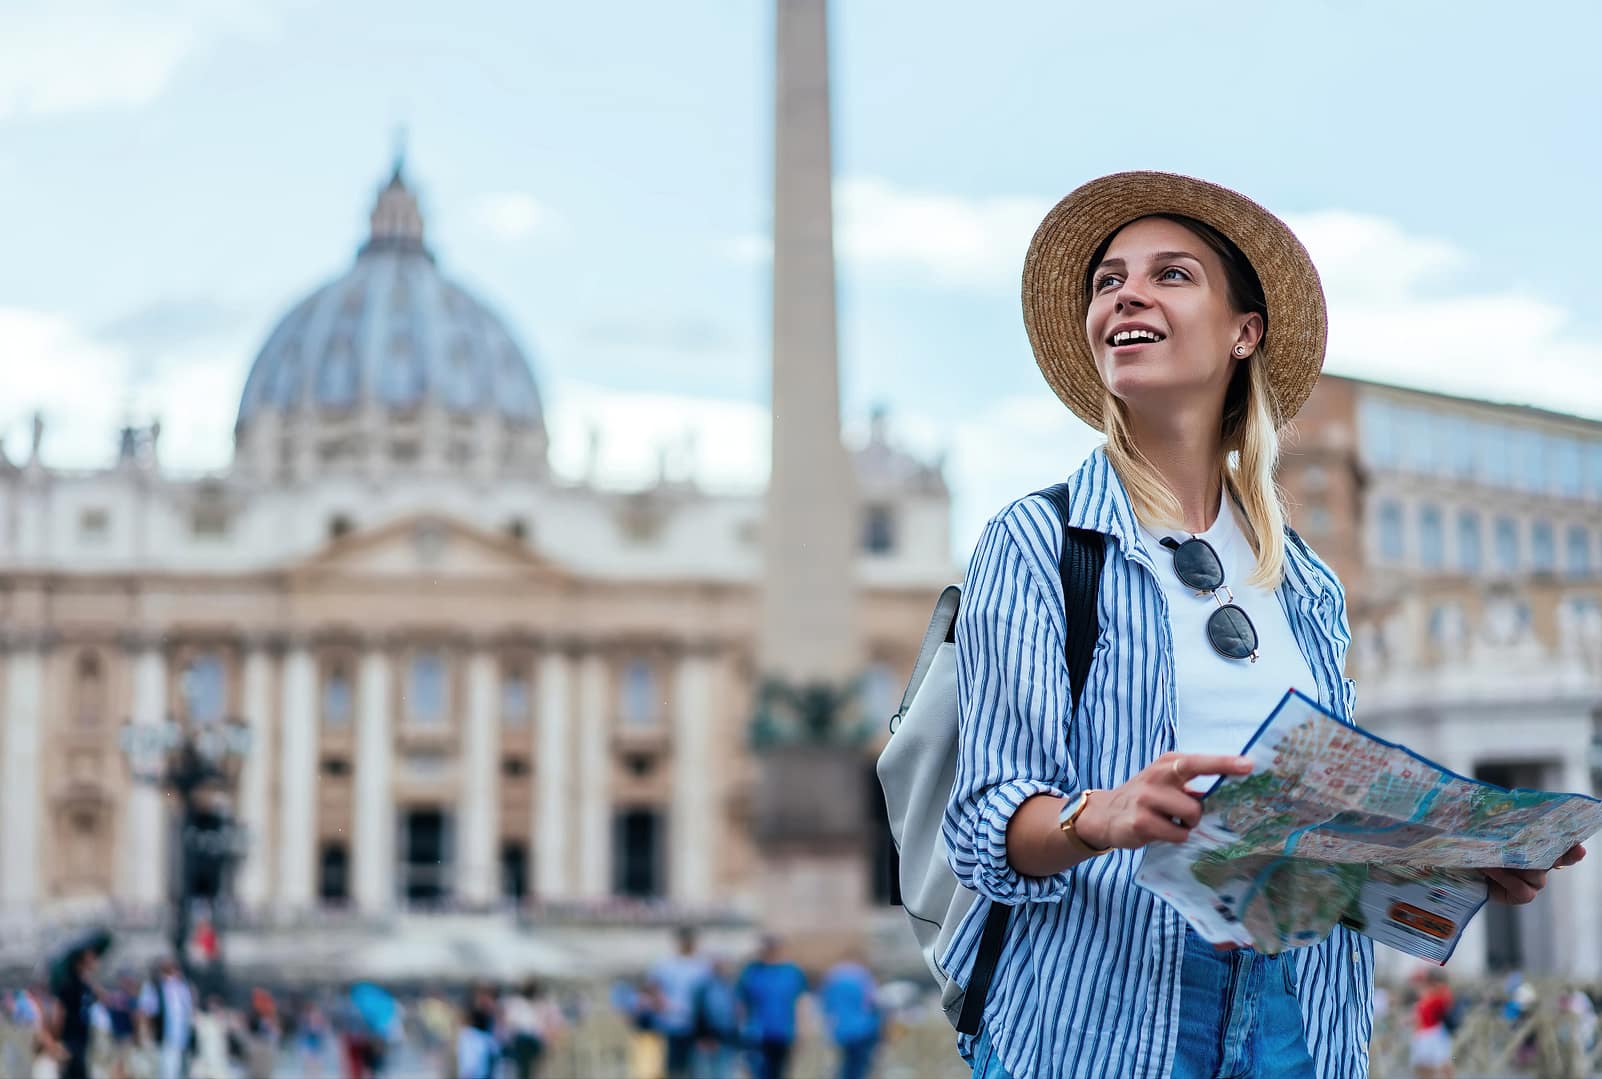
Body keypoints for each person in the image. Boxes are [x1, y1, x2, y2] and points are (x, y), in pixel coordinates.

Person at [941, 171, 1589, 1079]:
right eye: (1106, 281)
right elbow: (981, 826)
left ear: (1245, 332)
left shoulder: (1309, 585)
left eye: (1171, 274)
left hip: (1299, 1011)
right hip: (1104, 1014)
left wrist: (1452, 861)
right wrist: (1104, 812)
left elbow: (1314, 832)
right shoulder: (1037, 542)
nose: (1125, 292)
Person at [736, 937, 808, 1079]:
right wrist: (740, 1028)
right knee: (758, 1071)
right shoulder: (751, 971)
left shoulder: (792, 972)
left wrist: (802, 1030)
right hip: (756, 1033)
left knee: (778, 1072)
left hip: (783, 1032)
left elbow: (801, 1003)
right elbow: (741, 1003)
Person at [648, 926, 712, 1079]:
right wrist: (659, 1002)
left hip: (698, 1024)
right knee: (674, 1067)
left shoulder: (704, 965)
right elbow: (652, 988)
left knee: (697, 1067)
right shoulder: (664, 964)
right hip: (671, 1022)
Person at [819, 955, 880, 1079]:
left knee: (846, 1064)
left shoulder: (832, 977)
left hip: (841, 1030)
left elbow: (826, 1006)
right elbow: (873, 1002)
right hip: (864, 1029)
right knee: (858, 1067)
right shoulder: (863, 976)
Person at [137, 960, 193, 1079]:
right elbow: (146, 1011)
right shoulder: (155, 986)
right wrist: (145, 1034)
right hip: (163, 1037)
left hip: (181, 1038)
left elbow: (187, 1010)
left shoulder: (182, 987)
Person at [1410, 969, 1456, 1079]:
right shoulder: (1428, 995)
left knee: (1442, 1065)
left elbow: (1444, 1006)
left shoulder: (1440, 993)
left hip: (1434, 1031)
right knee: (1423, 1066)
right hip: (1424, 1032)